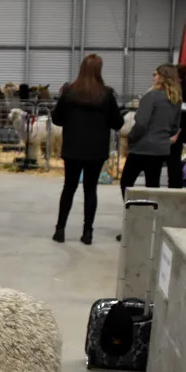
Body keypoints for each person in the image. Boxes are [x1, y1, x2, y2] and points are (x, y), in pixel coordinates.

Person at [50, 54, 124, 245]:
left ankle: (60, 229)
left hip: (73, 148)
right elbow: (117, 123)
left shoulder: (69, 91)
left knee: (69, 188)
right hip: (96, 150)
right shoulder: (106, 94)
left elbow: (57, 118)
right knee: (90, 190)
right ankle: (88, 232)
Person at [120, 64, 182, 202]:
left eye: (156, 74)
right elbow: (174, 126)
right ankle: (150, 213)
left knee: (126, 182)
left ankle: (132, 209)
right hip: (160, 149)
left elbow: (141, 123)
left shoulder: (151, 96)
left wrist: (131, 137)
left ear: (163, 77)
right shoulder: (176, 100)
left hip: (142, 147)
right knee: (152, 186)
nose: (153, 77)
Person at [168, 64, 186, 189]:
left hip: (179, 132)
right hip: (176, 130)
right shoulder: (179, 88)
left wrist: (177, 133)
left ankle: (175, 186)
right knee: (172, 161)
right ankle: (173, 184)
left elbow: (185, 114)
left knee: (174, 162)